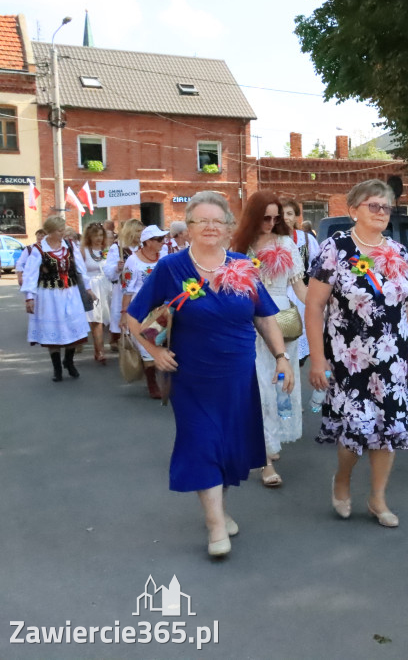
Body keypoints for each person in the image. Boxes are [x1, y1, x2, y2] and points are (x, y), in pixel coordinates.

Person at [125, 191, 294, 558]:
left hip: (237, 376)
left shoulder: (243, 267)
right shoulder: (170, 268)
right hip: (192, 377)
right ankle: (216, 525)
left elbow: (265, 316)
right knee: (201, 443)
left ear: (229, 228)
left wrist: (281, 357)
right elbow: (134, 317)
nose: (210, 228)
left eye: (217, 222)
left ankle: (218, 508)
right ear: (188, 227)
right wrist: (155, 352)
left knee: (229, 449)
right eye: (202, 221)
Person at [305, 179, 408, 527]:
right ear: (353, 209)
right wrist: (317, 358)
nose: (382, 212)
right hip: (349, 359)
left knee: (388, 428)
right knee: (354, 429)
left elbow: (407, 301)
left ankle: (378, 498)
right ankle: (342, 480)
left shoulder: (398, 251)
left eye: (387, 207)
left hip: (392, 357)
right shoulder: (335, 249)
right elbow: (314, 307)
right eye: (374, 205)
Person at [231, 191, 306, 487]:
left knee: (278, 388)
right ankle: (264, 456)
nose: (272, 222)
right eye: (266, 217)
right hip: (248, 323)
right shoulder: (239, 246)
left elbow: (299, 287)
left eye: (277, 217)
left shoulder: (286, 243)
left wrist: (323, 310)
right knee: (258, 388)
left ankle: (269, 445)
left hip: (282, 320)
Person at [20, 216, 94, 382]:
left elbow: (80, 268)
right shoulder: (38, 250)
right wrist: (29, 298)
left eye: (62, 230)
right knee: (53, 333)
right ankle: (57, 367)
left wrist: (88, 289)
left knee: (73, 327)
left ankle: (69, 360)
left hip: (71, 292)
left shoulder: (69, 245)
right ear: (50, 232)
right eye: (59, 231)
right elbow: (30, 276)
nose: (62, 233)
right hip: (49, 295)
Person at [121, 225, 170, 399]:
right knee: (145, 343)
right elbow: (126, 289)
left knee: (162, 341)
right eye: (158, 239)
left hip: (161, 307)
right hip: (140, 306)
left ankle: (164, 380)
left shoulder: (165, 257)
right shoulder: (133, 261)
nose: (162, 242)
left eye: (163, 239)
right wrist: (124, 315)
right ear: (147, 242)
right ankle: (152, 383)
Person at [281, 199, 320, 364]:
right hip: (279, 295)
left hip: (301, 293)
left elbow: (318, 266)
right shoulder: (270, 240)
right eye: (282, 214)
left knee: (300, 340)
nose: (286, 218)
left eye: (289, 214)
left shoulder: (306, 239)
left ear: (297, 217)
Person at [104, 219, 144, 353]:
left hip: (141, 290)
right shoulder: (118, 248)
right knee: (125, 319)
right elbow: (108, 272)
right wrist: (117, 268)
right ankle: (129, 349)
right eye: (138, 231)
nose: (141, 234)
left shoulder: (144, 247)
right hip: (123, 290)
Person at [80, 222, 111, 364]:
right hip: (92, 286)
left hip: (106, 286)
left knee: (104, 320)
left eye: (100, 235)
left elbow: (110, 269)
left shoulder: (108, 249)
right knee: (96, 320)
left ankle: (98, 349)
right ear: (89, 236)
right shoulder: (84, 250)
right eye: (95, 236)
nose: (98, 238)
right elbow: (80, 271)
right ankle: (100, 351)